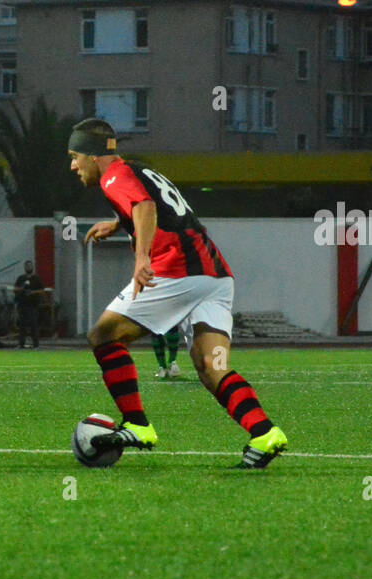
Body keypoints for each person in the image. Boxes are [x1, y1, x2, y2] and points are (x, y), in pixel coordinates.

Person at [67, 118, 288, 469]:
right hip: (215, 276)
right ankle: (264, 433)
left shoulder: (112, 177)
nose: (73, 165)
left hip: (178, 271)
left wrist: (141, 258)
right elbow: (159, 206)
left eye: (75, 156)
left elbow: (146, 207)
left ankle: (137, 425)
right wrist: (117, 224)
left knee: (103, 336)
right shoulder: (137, 170)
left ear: (94, 156)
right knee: (211, 367)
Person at [13, 260, 44, 349]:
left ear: (32, 267)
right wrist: (22, 289)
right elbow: (15, 289)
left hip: (33, 305)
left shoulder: (36, 279)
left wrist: (32, 292)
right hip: (22, 305)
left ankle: (36, 345)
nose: (29, 267)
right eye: (27, 266)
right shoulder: (21, 278)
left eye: (30, 266)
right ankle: (21, 344)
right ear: (24, 267)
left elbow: (42, 290)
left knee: (34, 325)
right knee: (22, 325)